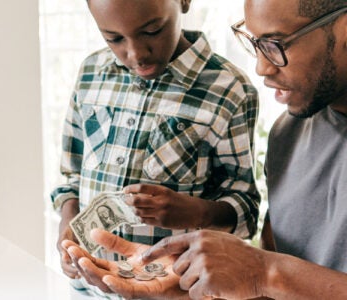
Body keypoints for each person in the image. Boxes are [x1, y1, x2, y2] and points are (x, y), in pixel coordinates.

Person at [63, 0, 347, 299]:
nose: (261, 67)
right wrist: (184, 290)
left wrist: (262, 272)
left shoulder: (232, 93)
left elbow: (268, 271)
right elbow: (274, 290)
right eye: (255, 42)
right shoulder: (288, 134)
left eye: (275, 43)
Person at [51, 0, 260, 297]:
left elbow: (246, 211)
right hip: (86, 290)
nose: (136, 53)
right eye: (114, 38)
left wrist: (194, 212)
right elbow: (71, 177)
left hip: (171, 292)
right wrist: (66, 229)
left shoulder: (229, 90)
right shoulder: (90, 74)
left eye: (152, 30)